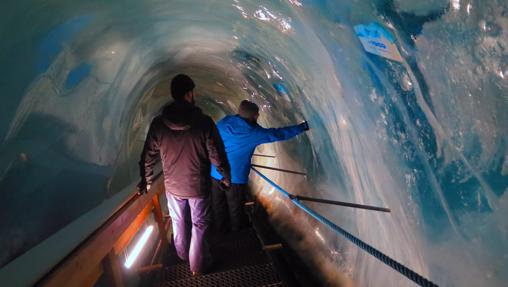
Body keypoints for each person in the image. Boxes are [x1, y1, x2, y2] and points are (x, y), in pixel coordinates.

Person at [138, 74, 231, 276]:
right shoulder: (204, 122)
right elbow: (216, 152)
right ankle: (197, 266)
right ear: (189, 94)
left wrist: (145, 180)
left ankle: (181, 254)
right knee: (199, 224)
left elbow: (148, 156)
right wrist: (224, 175)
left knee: (178, 221)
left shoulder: (158, 124)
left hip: (173, 187)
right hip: (198, 186)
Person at [210, 100, 309, 232]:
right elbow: (278, 134)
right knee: (235, 208)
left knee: (218, 204)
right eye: (257, 115)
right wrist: (302, 127)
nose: (258, 117)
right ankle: (236, 233)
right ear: (253, 116)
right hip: (236, 177)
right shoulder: (253, 133)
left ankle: (220, 230)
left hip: (216, 172)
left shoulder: (223, 122)